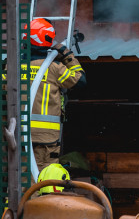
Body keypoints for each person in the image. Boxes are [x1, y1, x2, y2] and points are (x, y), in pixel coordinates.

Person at [27, 18, 85, 172]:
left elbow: (4, 86)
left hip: (20, 133)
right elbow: (80, 80)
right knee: (46, 174)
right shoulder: (55, 68)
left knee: (22, 173)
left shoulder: (14, 66)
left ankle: (20, 197)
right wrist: (67, 55)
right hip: (47, 137)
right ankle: (42, 197)